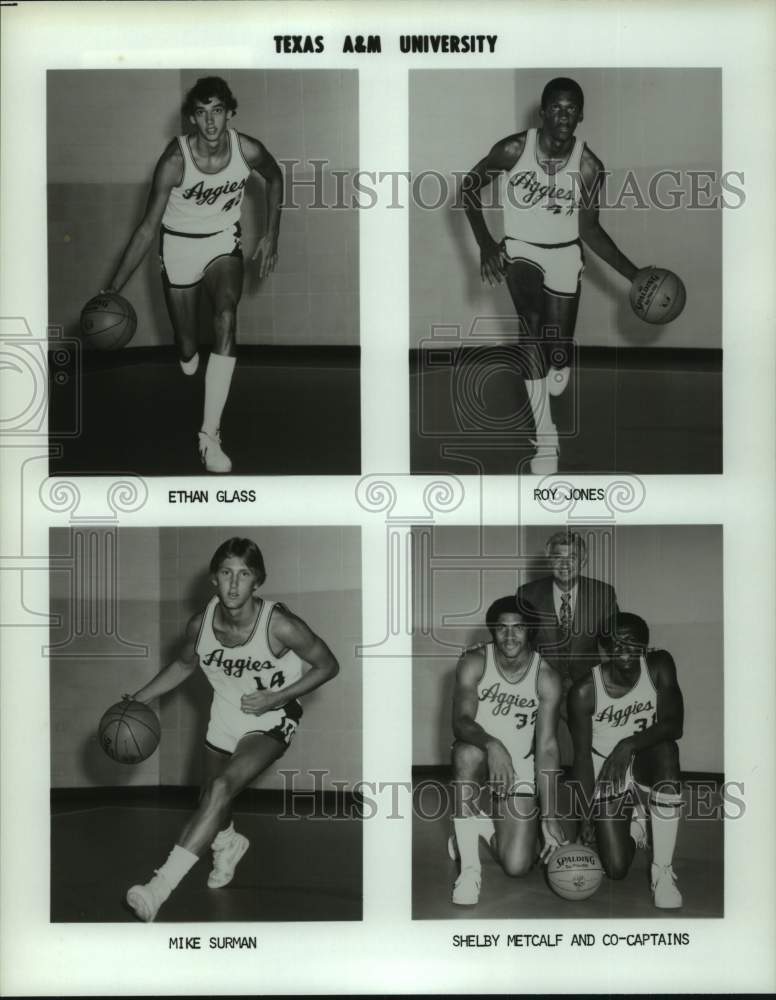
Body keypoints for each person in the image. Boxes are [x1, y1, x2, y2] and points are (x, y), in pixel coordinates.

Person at [124, 537, 339, 922]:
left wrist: (278, 698)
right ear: (213, 579)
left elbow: (328, 665)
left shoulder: (281, 625)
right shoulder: (200, 625)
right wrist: (137, 699)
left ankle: (158, 888)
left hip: (273, 716)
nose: (235, 584)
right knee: (212, 795)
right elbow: (184, 666)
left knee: (222, 788)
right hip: (224, 715)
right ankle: (227, 842)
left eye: (244, 574)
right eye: (226, 573)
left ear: (258, 581)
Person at [462, 76, 641, 473]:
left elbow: (591, 230)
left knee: (557, 345)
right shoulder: (513, 149)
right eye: (556, 108)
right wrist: (487, 245)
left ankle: (560, 361)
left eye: (571, 108)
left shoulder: (590, 167)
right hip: (520, 249)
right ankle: (546, 438)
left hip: (564, 255)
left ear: (581, 115)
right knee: (530, 328)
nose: (564, 115)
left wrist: (635, 274)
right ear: (542, 113)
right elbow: (469, 189)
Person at [103, 76, 283, 473]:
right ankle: (187, 354)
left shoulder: (247, 149)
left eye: (217, 111)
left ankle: (210, 435)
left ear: (230, 113)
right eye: (201, 113)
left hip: (222, 242)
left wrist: (271, 234)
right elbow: (148, 227)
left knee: (225, 315)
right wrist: (112, 289)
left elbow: (274, 177)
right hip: (179, 245)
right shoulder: (174, 160)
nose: (211, 122)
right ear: (191, 119)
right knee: (187, 350)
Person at [448, 595, 567, 905]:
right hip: (481, 751)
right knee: (464, 753)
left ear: (530, 631)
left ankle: (476, 825)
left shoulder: (547, 677)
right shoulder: (474, 662)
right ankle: (470, 871)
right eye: (502, 628)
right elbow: (461, 722)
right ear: (492, 630)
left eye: (519, 627)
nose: (510, 636)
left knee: (516, 867)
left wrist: (550, 815)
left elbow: (548, 747)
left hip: (521, 768)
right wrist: (493, 744)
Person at [568, 612, 684, 908]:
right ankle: (638, 825)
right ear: (605, 648)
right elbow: (580, 757)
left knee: (667, 749)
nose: (626, 652)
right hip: (606, 770)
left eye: (634, 644)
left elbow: (674, 724)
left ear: (646, 646)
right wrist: (584, 814)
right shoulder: (584, 691)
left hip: (643, 757)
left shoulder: (659, 666)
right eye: (617, 645)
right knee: (616, 868)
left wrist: (628, 744)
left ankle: (663, 871)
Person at [516, 530, 619, 763]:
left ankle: (597, 795)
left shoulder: (603, 594)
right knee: (534, 747)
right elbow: (517, 639)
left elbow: (613, 638)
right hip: (541, 683)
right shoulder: (527, 595)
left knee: (598, 748)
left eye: (572, 557)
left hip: (587, 682)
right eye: (558, 557)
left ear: (583, 561)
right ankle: (537, 795)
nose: (564, 564)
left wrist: (639, 651)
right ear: (549, 560)